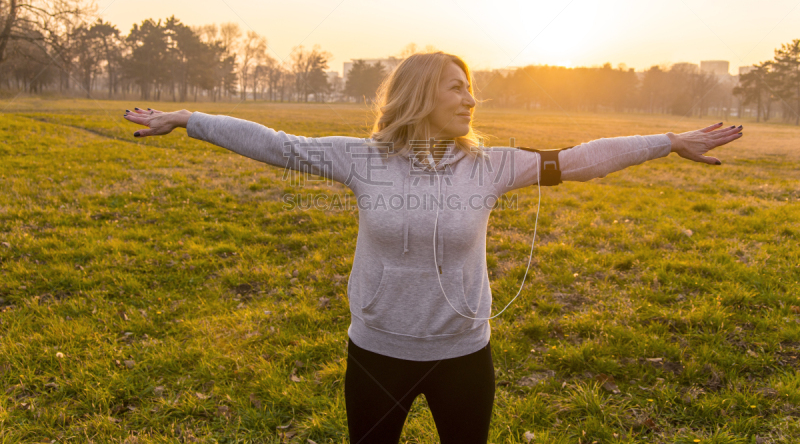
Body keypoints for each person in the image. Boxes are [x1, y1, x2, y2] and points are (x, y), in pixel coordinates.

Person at [124, 51, 742, 444]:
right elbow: (276, 144)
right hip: (376, 354)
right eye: (456, 87)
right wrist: (187, 117)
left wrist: (667, 140)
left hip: (463, 357)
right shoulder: (363, 161)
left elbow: (579, 160)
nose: (471, 99)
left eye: (471, 88)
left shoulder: (492, 167)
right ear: (420, 95)